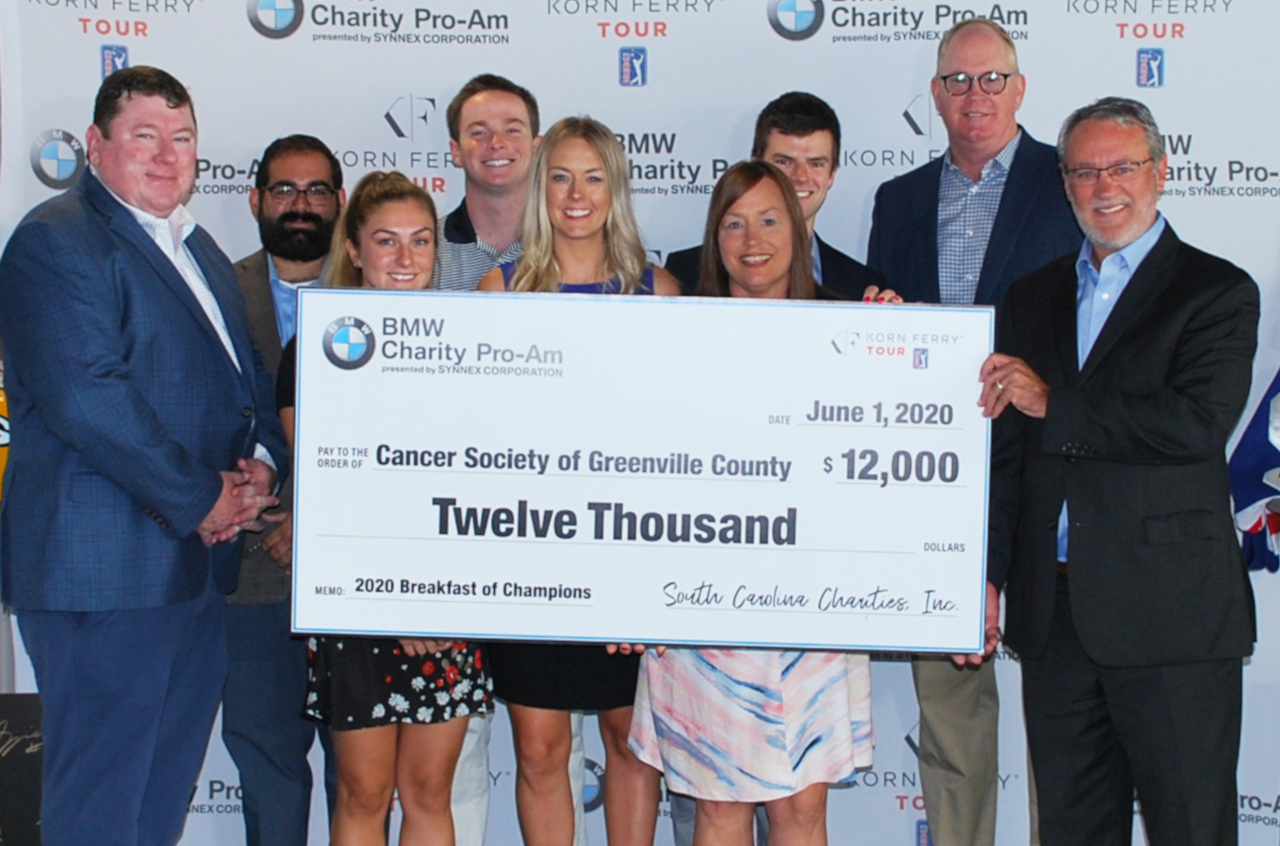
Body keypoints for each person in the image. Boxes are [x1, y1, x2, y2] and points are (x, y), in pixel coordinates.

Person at [0, 66, 287, 845]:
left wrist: (262, 460)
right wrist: (203, 499)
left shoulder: (196, 247)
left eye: (183, 137)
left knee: (156, 805)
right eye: (145, 137)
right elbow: (88, 397)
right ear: (96, 147)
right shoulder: (55, 242)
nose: (168, 155)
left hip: (192, 575)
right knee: (100, 808)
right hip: (107, 573)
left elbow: (249, 383)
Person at [982, 96, 1257, 846]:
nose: (1105, 186)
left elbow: (1196, 426)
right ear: (1064, 184)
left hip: (1171, 618)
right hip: (1056, 616)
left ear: (1160, 172)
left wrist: (1055, 404)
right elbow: (1007, 455)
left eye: (1123, 167)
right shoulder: (1030, 296)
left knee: (1191, 828)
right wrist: (988, 574)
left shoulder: (1217, 291)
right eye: (1084, 171)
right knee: (1070, 831)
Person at [865, 18, 1081, 846]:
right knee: (951, 715)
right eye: (958, 82)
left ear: (1020, 90)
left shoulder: (1068, 186)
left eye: (992, 80)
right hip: (930, 486)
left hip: (1047, 474)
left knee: (1063, 721)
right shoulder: (899, 201)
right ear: (935, 95)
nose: (975, 97)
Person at [630, 161, 872, 846]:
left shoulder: (851, 331)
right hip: (703, 608)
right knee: (719, 808)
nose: (751, 239)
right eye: (733, 224)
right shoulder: (674, 336)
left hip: (815, 604)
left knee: (801, 811)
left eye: (768, 220)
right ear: (714, 240)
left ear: (795, 230)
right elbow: (642, 473)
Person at [478, 116, 679, 846]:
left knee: (630, 743)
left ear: (615, 189)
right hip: (533, 552)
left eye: (593, 177)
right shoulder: (498, 290)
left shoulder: (659, 293)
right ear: (540, 186)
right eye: (560, 175)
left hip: (627, 553)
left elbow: (678, 444)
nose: (575, 193)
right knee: (539, 749)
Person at [280, 170, 493, 846]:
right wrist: (395, 593)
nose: (406, 260)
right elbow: (329, 487)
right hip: (359, 599)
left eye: (421, 241)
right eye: (387, 242)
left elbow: (483, 478)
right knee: (365, 794)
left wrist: (431, 592)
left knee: (430, 793)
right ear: (356, 249)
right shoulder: (314, 346)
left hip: (446, 601)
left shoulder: (475, 346)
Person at [434, 73, 588, 846]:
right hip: (451, 531)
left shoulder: (581, 247)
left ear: (536, 142)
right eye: (479, 130)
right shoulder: (418, 248)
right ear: (455, 147)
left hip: (554, 534)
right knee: (452, 765)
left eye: (512, 128)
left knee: (556, 746)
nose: (496, 144)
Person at [223, 133, 346, 846]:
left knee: (358, 774)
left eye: (317, 190)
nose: (300, 205)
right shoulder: (215, 290)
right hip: (250, 571)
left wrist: (313, 516)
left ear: (339, 200)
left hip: (354, 574)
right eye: (284, 190)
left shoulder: (378, 289)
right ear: (256, 200)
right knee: (268, 766)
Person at [664, 92, 883, 300]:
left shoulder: (862, 287)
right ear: (757, 166)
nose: (799, 177)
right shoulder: (681, 275)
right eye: (784, 162)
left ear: (831, 175)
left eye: (816, 164)